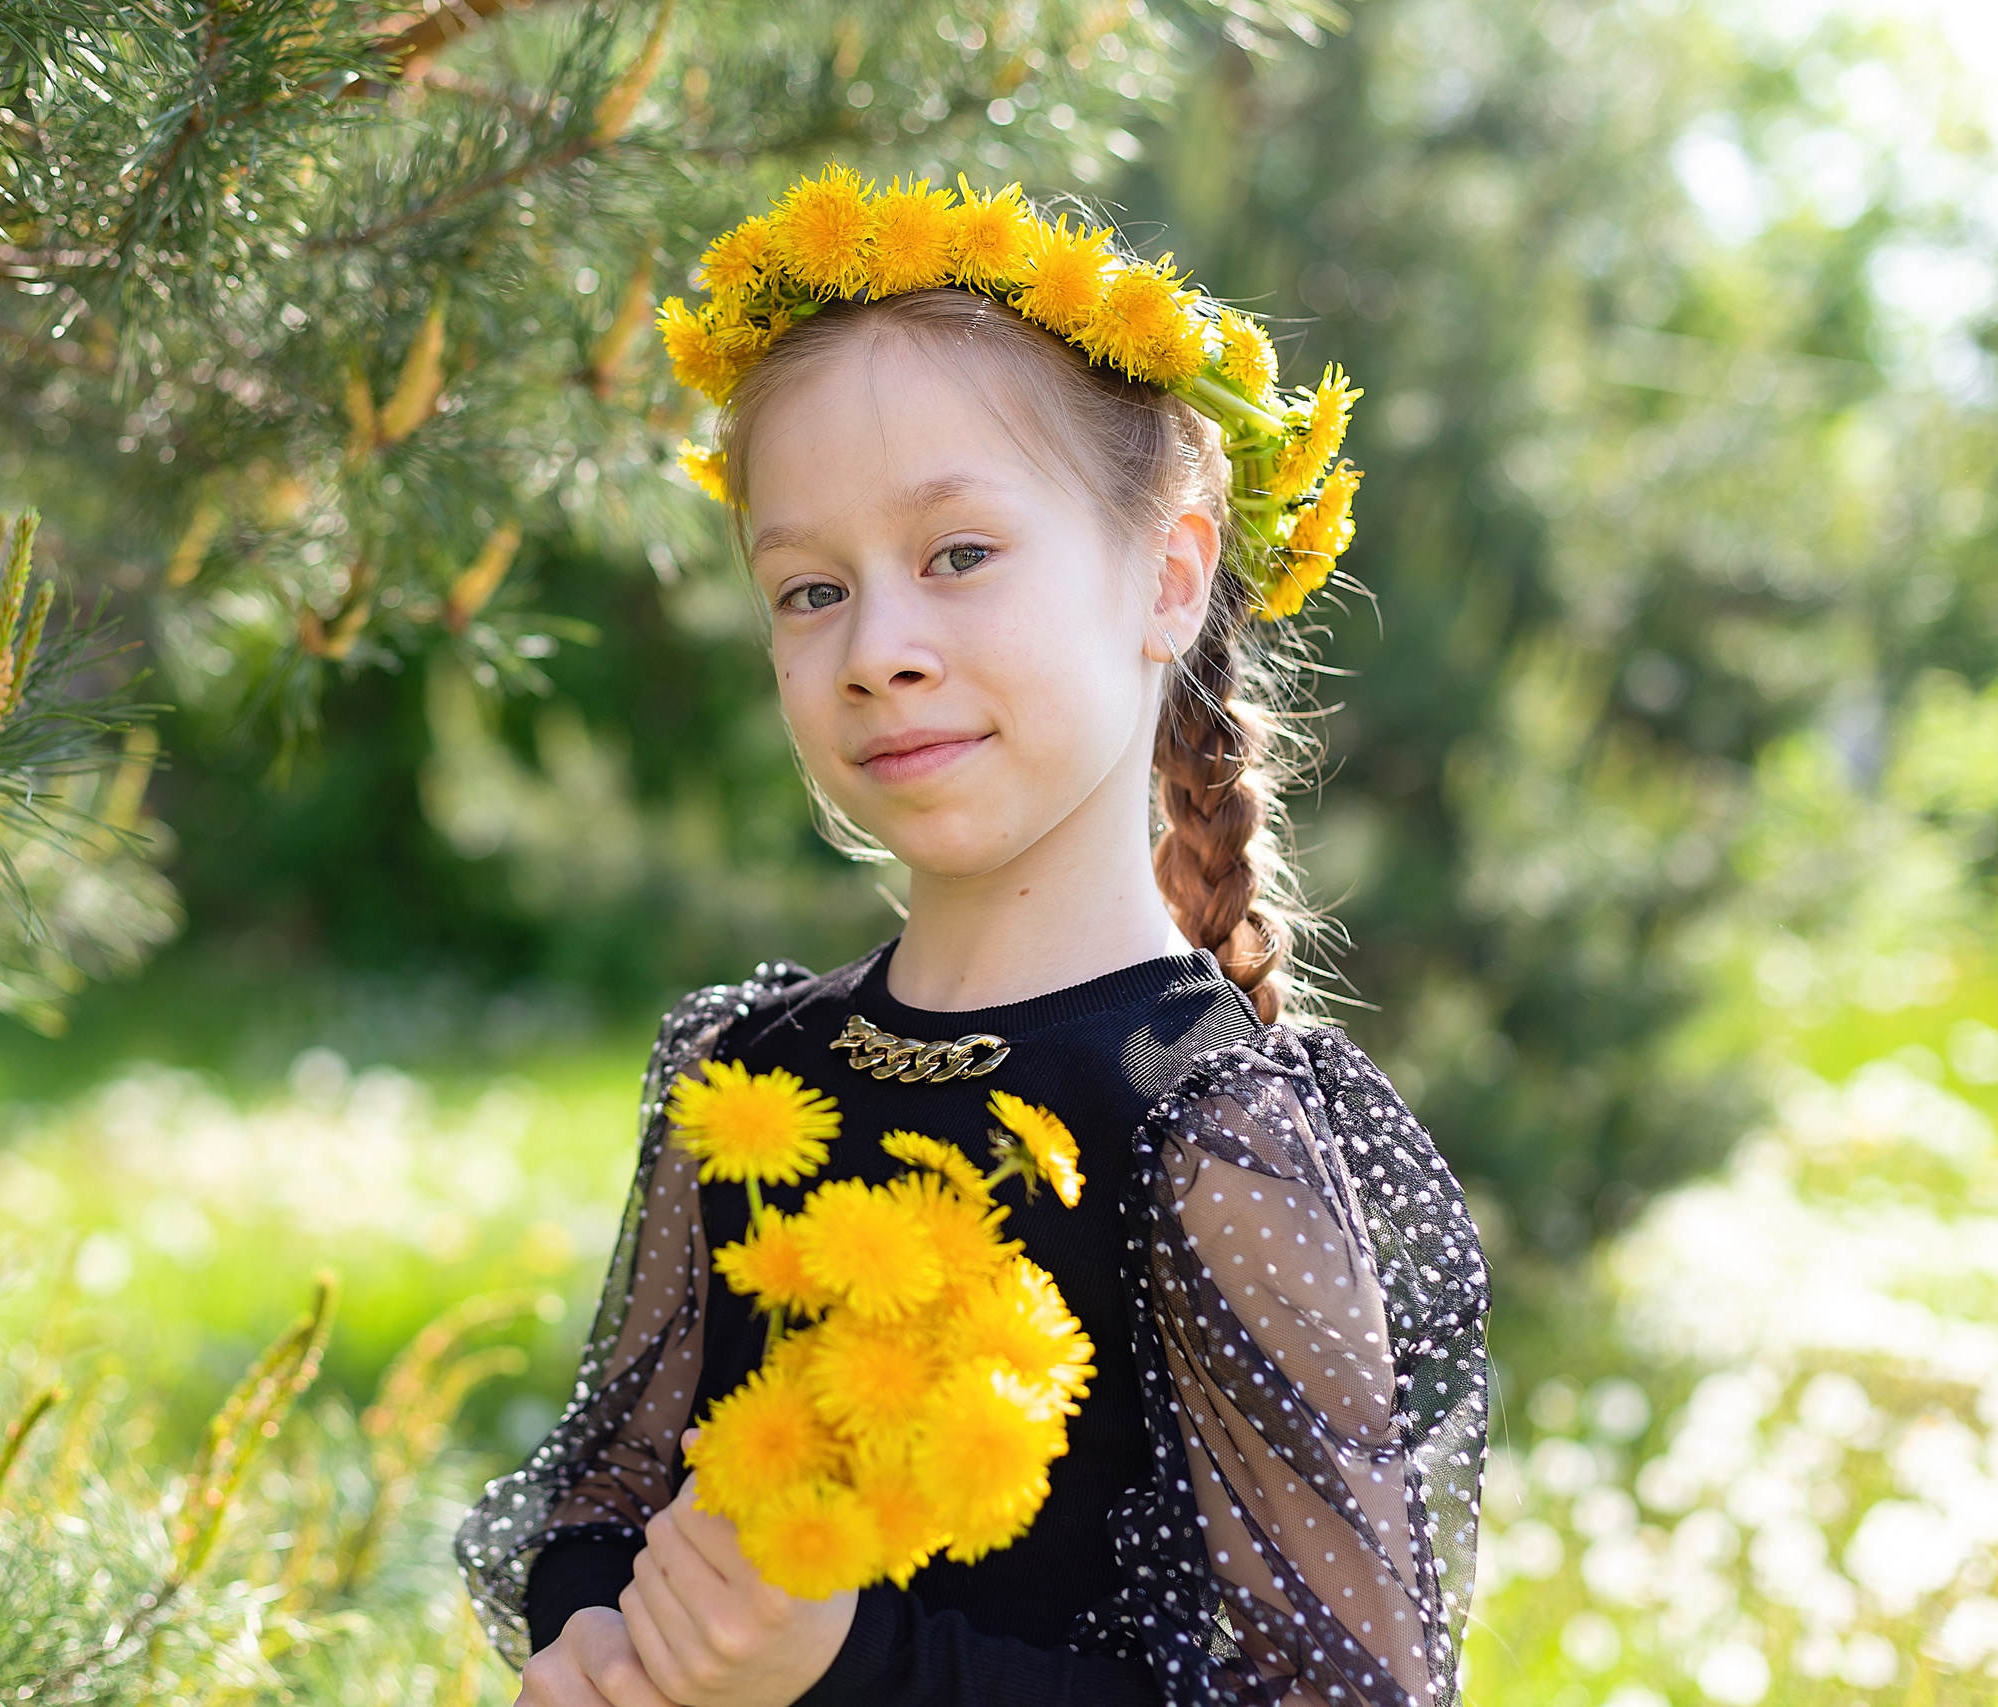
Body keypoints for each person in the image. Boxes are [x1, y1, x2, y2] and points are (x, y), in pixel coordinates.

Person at [455, 170, 1489, 1707]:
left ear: (1167, 577)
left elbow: (1339, 1686)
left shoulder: (1210, 1136)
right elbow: (609, 1485)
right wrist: (597, 1634)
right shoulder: (745, 1072)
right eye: (810, 590)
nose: (878, 653)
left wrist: (854, 1666)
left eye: (958, 556)